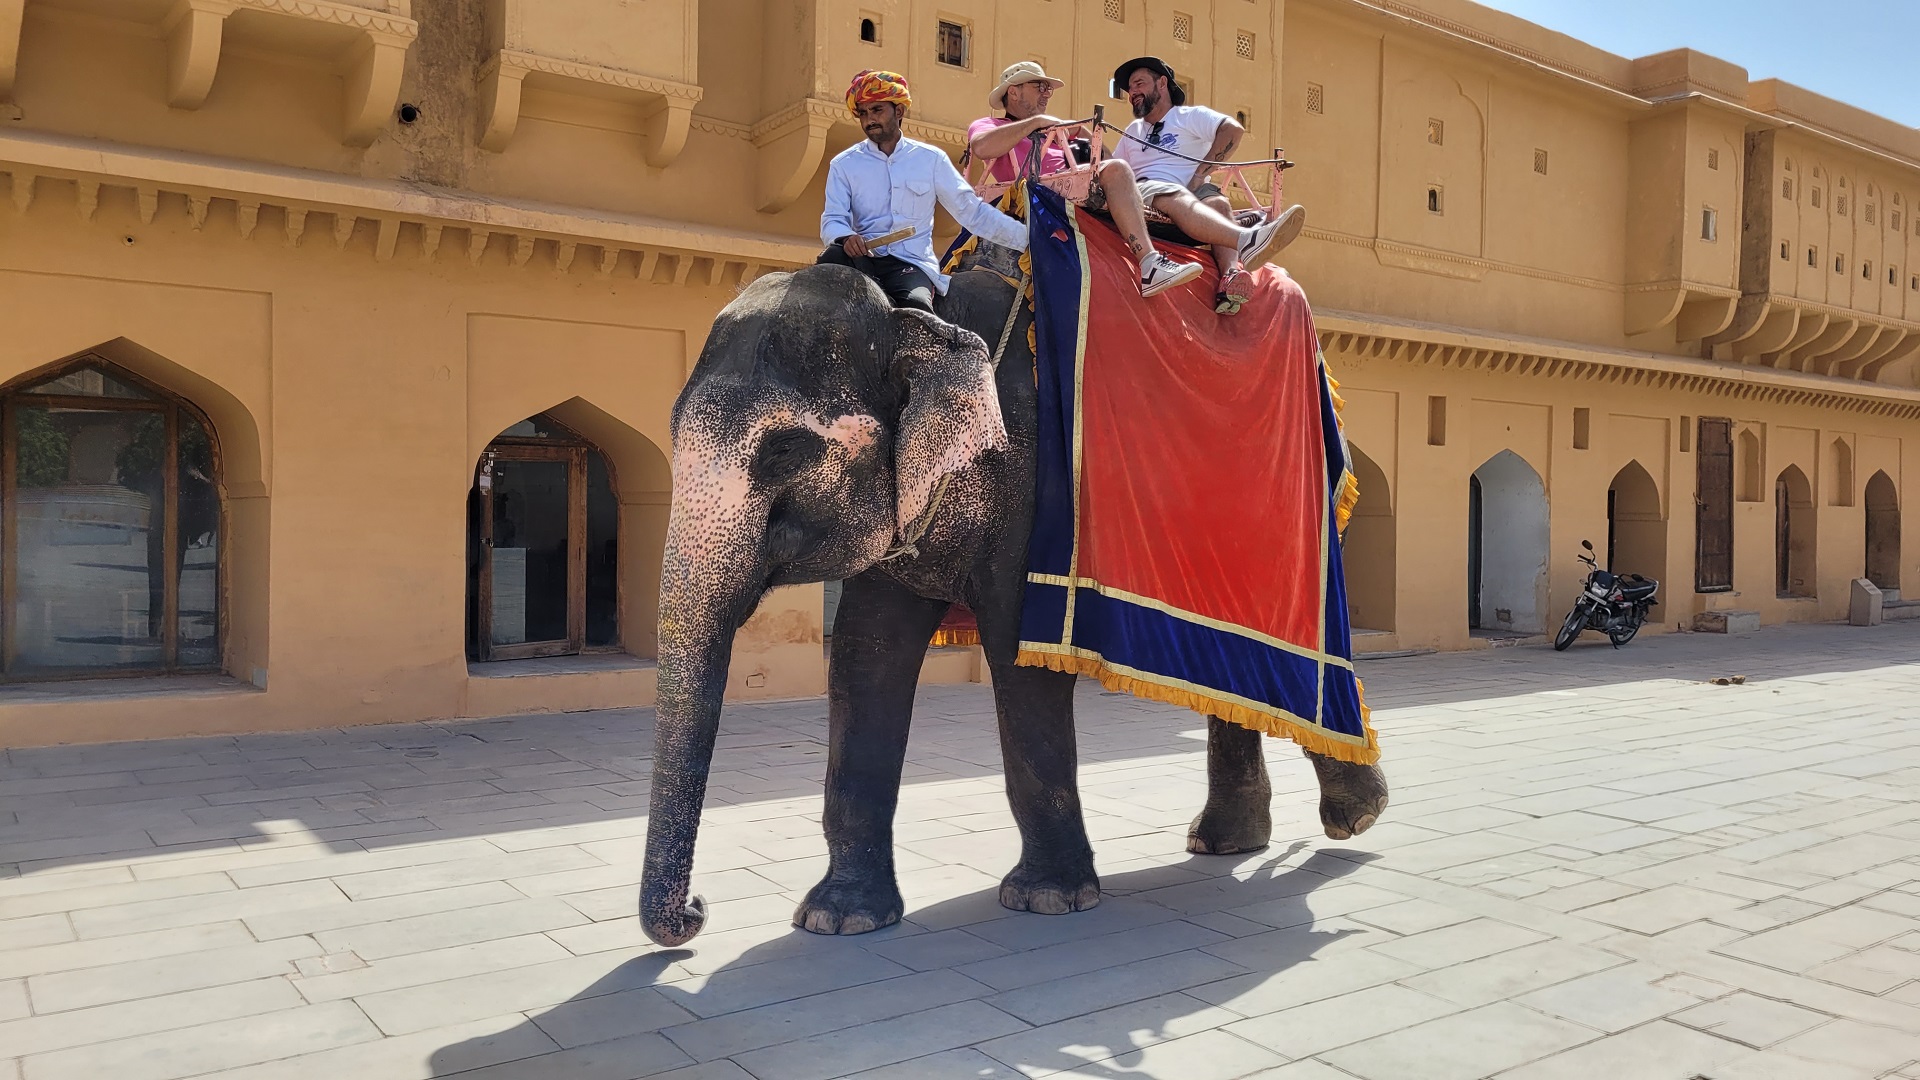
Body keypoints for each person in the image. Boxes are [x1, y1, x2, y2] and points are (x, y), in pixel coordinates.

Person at [967, 60, 1203, 299]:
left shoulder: (1055, 133)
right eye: (1040, 86)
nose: (1046, 95)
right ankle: (1149, 262)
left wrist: (1083, 134)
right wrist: (1036, 123)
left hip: (1075, 183)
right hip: (1039, 189)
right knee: (1119, 170)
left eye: (1048, 89)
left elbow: (1108, 160)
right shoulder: (991, 124)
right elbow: (982, 147)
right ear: (1014, 91)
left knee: (1129, 175)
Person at [819, 69, 1028, 312]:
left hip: (908, 265)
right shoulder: (844, 164)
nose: (869, 120)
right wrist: (845, 237)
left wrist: (1026, 240)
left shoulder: (931, 159)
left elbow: (972, 213)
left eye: (877, 110)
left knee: (917, 311)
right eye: (863, 113)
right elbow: (833, 219)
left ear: (899, 111)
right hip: (859, 260)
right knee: (826, 266)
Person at [1111, 56, 1306, 315]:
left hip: (1193, 192)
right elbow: (1115, 171)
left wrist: (1199, 175)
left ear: (1161, 83)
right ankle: (1247, 240)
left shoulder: (1188, 117)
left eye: (1138, 84)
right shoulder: (1132, 131)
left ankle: (1230, 277)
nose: (1133, 92)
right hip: (1152, 192)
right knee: (1175, 196)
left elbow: (1232, 130)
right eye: (1129, 89)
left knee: (1217, 201)